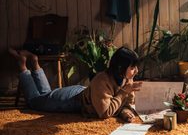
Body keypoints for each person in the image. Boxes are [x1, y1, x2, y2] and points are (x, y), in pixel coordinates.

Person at [9, 46, 143, 122]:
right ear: (120, 67)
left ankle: (34, 62)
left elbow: (124, 103)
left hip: (85, 94)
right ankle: (22, 64)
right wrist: (124, 92)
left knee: (44, 95)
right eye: (132, 68)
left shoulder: (126, 77)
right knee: (33, 102)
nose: (136, 71)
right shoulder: (102, 80)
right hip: (70, 100)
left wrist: (125, 112)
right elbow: (105, 113)